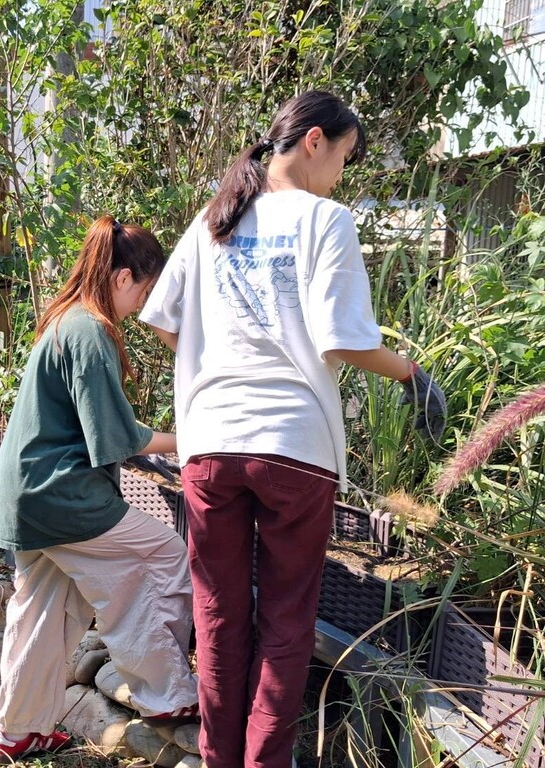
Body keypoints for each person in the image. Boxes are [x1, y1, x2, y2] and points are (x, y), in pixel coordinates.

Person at [140, 91, 447, 768]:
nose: (341, 173)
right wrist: (411, 375)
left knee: (218, 617)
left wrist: (217, 365)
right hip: (293, 448)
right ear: (313, 141)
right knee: (285, 622)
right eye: (345, 155)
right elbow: (344, 340)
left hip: (210, 443)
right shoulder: (325, 220)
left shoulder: (214, 218)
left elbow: (162, 319)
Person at [0, 216, 200, 765]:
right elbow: (115, 437)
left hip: (24, 495)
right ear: (124, 277)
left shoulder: (66, 319)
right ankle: (168, 695)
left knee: (43, 611)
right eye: (145, 291)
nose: (144, 304)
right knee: (163, 556)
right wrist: (197, 439)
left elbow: (99, 428)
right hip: (62, 496)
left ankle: (18, 732)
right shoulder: (91, 331)